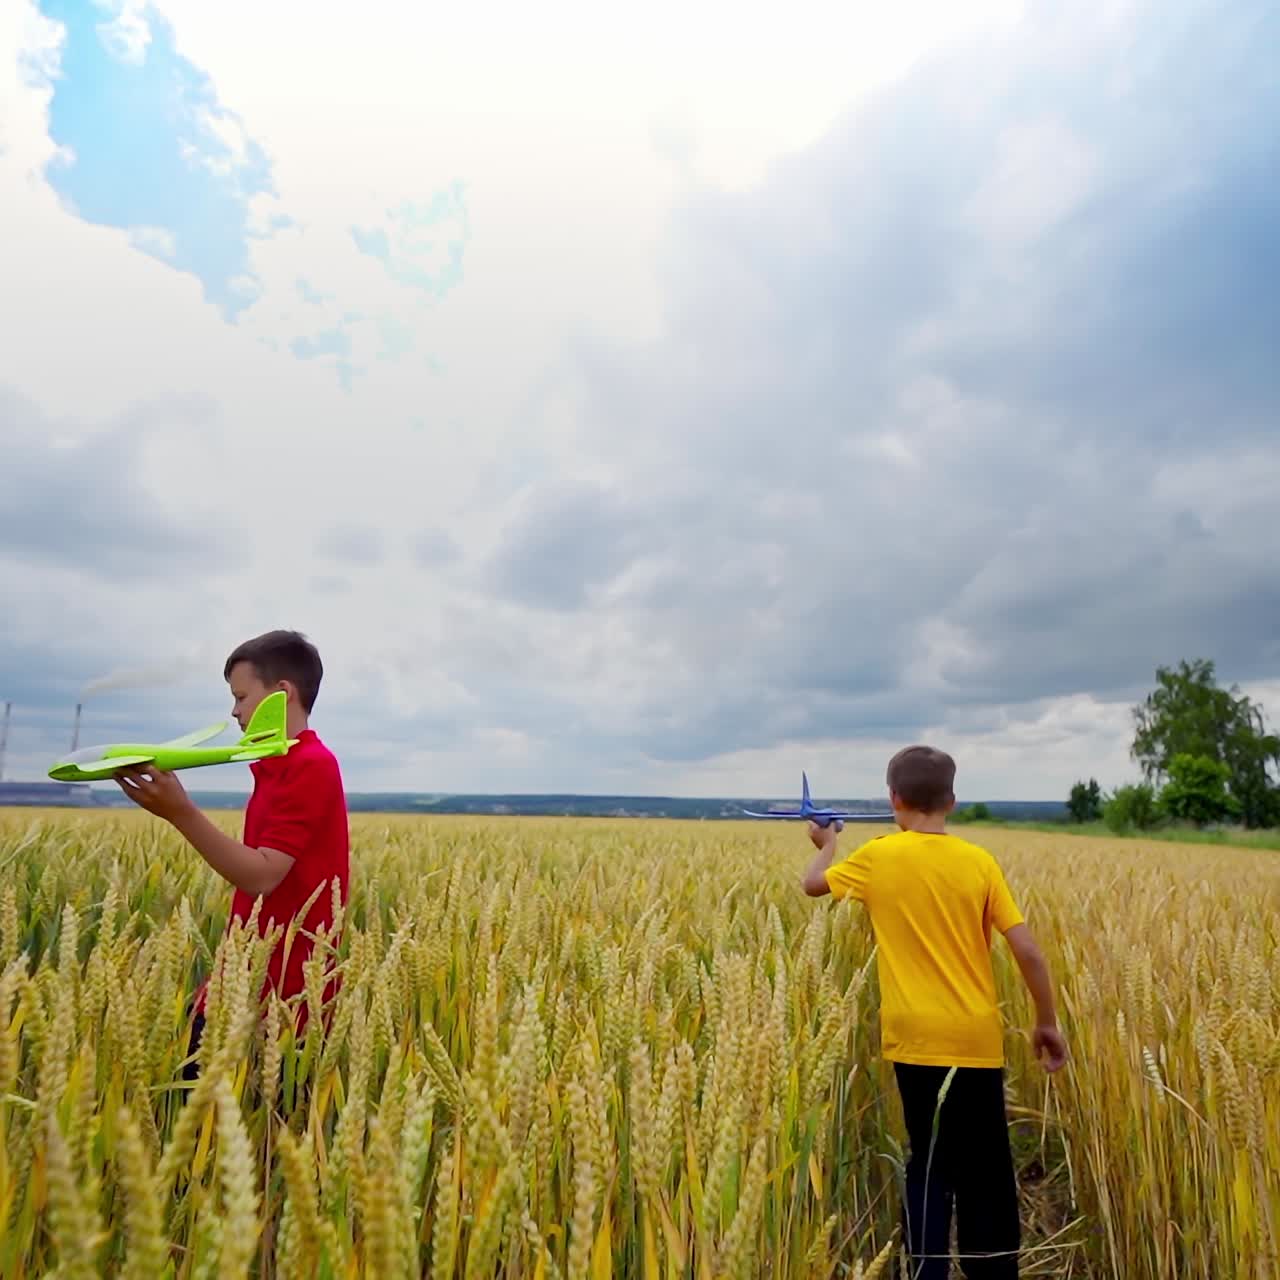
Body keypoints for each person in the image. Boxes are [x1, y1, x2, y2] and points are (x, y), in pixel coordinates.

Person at [800, 744, 1067, 1280]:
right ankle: (992, 1269)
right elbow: (1030, 952)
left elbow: (812, 886)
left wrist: (826, 843)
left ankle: (926, 1270)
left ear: (893, 798)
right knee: (987, 1169)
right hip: (974, 1038)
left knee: (929, 1159)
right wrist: (1045, 1021)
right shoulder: (979, 862)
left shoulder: (877, 856)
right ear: (953, 800)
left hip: (913, 1039)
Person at [115, 630, 350, 1080]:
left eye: (241, 696)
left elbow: (263, 876)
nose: (234, 710)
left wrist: (181, 813)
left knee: (251, 1130)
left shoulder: (312, 765)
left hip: (288, 995)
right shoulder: (276, 766)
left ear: (282, 694)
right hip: (241, 977)